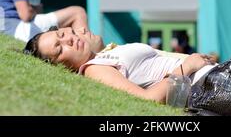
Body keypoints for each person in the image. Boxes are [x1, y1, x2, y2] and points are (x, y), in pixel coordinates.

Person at [24, 26, 217, 103]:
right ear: (59, 67)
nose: (68, 40)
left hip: (211, 77)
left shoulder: (102, 56)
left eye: (61, 34)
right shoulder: (94, 69)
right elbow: (147, 99)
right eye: (59, 49)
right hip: (209, 89)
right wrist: (187, 66)